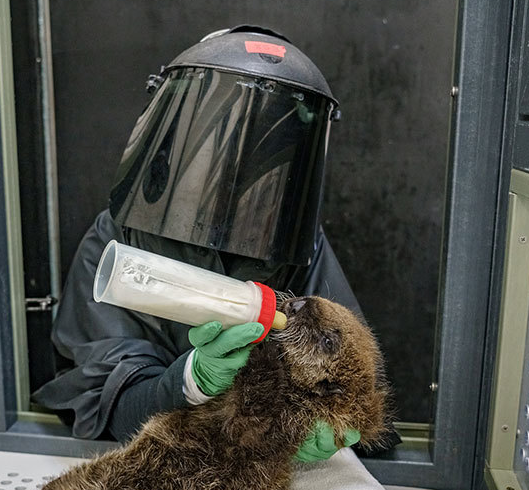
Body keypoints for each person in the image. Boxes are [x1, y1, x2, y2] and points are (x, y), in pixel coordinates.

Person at [34, 26, 400, 458]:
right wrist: (189, 380)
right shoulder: (119, 238)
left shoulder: (301, 247)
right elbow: (105, 403)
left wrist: (330, 425)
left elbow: (357, 377)